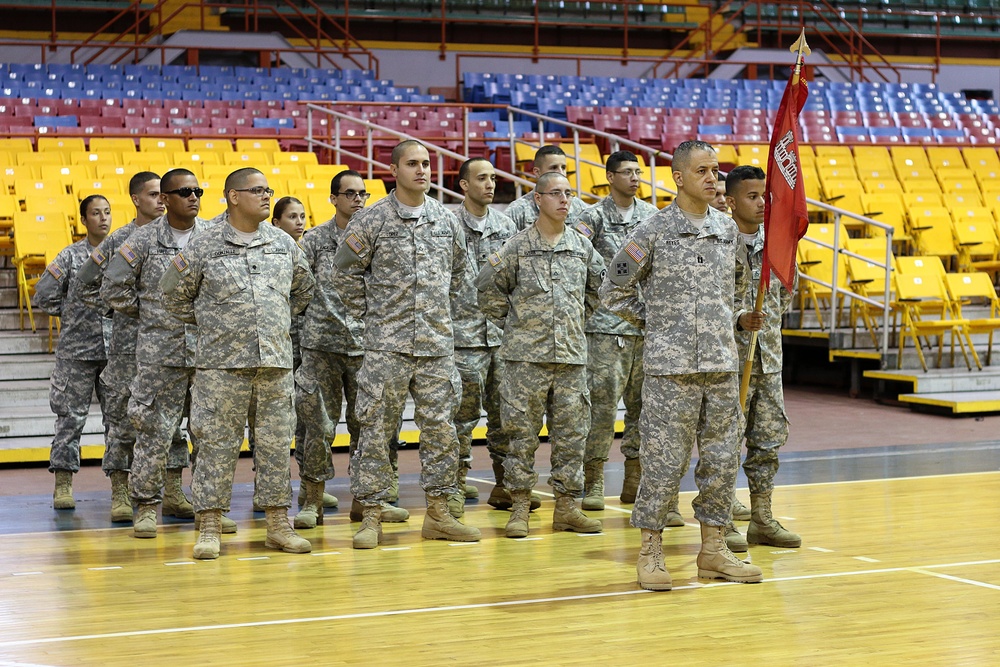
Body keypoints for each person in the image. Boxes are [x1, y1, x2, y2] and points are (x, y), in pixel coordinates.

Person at [600, 140, 763, 591]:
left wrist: (729, 320)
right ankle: (650, 551)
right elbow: (611, 290)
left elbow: (734, 290)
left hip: (721, 365)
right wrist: (658, 321)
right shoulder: (652, 231)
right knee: (663, 462)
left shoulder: (728, 231)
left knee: (722, 459)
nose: (713, 178)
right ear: (678, 178)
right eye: (703, 171)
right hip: (670, 370)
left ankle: (713, 549)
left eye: (716, 170)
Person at [160, 168, 315, 560]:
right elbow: (172, 296)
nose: (266, 196)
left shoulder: (283, 243)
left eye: (268, 190)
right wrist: (218, 326)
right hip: (220, 367)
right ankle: (210, 526)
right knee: (215, 446)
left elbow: (302, 292)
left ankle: (278, 524)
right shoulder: (204, 243)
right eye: (257, 190)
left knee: (277, 445)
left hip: (275, 365)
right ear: (232, 196)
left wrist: (271, 323)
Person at [333, 140, 480, 549]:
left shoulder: (446, 220)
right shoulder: (372, 220)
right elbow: (343, 272)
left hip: (436, 347)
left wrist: (442, 320)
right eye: (412, 164)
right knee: (377, 431)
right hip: (387, 346)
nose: (421, 170)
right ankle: (373, 515)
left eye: (426, 163)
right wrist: (372, 315)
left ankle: (438, 513)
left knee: (441, 432)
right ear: (394, 170)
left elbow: (460, 276)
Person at [476, 171, 606, 539]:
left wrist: (576, 321)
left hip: (570, 359)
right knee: (521, 436)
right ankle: (519, 507)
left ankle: (567, 508)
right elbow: (486, 289)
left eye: (569, 193)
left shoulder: (581, 246)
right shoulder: (517, 246)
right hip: (525, 360)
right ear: (538, 199)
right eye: (556, 194)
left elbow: (599, 288)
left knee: (572, 436)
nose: (565, 200)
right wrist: (517, 326)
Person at [101, 168, 213, 538]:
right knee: (153, 433)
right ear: (164, 199)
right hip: (159, 353)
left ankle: (209, 509)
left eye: (197, 190)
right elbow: (113, 287)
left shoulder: (213, 236)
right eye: (184, 191)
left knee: (209, 434)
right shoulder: (143, 239)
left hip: (207, 353)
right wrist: (150, 310)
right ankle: (146, 507)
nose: (193, 196)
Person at [293, 171, 409, 529]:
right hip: (321, 348)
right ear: (333, 199)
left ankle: (367, 500)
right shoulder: (313, 241)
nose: (358, 200)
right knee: (318, 428)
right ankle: (312, 500)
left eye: (363, 193)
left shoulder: (377, 236)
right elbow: (294, 289)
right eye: (350, 194)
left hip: (367, 347)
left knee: (372, 429)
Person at [77, 173, 192, 524]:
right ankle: (121, 492)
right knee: (124, 425)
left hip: (178, 347)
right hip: (129, 350)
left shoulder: (185, 238)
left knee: (175, 426)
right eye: (153, 195)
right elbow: (86, 287)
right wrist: (136, 312)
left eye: (163, 195)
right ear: (136, 199)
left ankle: (173, 493)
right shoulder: (120, 241)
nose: (161, 200)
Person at [573, 150, 659, 512]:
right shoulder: (591, 218)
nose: (635, 178)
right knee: (602, 410)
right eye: (627, 172)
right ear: (610, 177)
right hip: (606, 330)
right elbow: (580, 267)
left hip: (645, 328)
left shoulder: (652, 218)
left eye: (638, 172)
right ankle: (593, 481)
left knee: (645, 410)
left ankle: (634, 481)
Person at [450, 157, 534, 517]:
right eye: (481, 178)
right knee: (459, 420)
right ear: (463, 185)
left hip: (502, 337)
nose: (490, 184)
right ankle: (452, 488)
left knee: (508, 419)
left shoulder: (505, 225)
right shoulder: (447, 225)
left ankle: (507, 487)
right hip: (461, 336)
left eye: (493, 178)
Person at [725, 165, 801, 549]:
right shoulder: (718, 241)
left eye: (764, 197)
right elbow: (704, 302)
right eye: (752, 197)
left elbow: (787, 292)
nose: (760, 203)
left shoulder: (777, 243)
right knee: (724, 442)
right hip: (728, 363)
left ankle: (762, 518)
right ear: (731, 201)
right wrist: (738, 318)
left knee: (767, 443)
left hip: (768, 360)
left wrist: (764, 327)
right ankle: (721, 521)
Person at [34, 195, 112, 510]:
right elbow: (44, 295)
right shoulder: (70, 256)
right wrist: (72, 312)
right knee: (70, 420)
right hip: (77, 352)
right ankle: (63, 485)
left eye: (107, 212)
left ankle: (121, 486)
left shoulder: (122, 254)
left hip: (114, 352)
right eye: (95, 213)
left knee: (118, 422)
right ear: (84, 220)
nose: (103, 219)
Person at [504, 145, 588, 230]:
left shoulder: (579, 207)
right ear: (537, 172)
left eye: (563, 168)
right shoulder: (518, 211)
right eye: (554, 168)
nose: (561, 173)